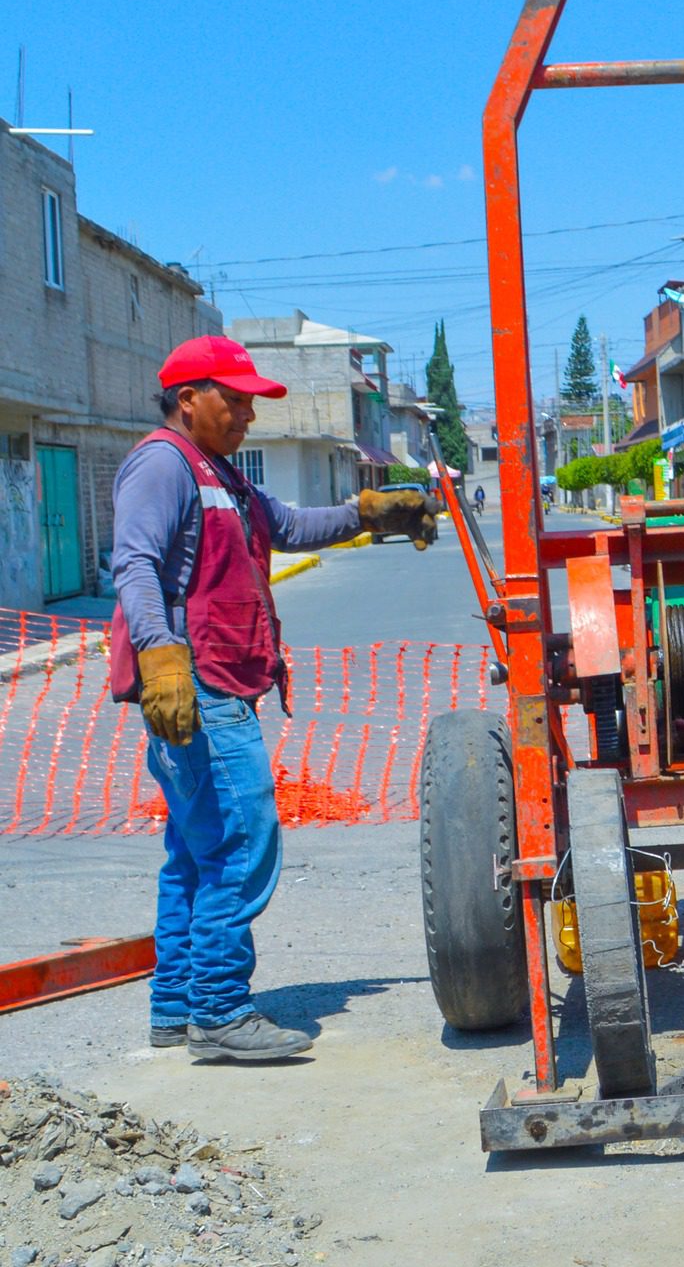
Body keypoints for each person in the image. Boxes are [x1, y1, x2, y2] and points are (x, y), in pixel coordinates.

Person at [109, 336, 440, 1062]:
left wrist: (367, 513)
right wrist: (160, 653)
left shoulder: (219, 473)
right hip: (195, 683)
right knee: (240, 839)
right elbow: (132, 562)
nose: (247, 414)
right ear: (188, 397)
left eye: (252, 402)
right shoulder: (162, 464)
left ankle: (178, 1008)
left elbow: (287, 526)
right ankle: (222, 1011)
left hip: (216, 678)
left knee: (194, 852)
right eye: (235, 399)